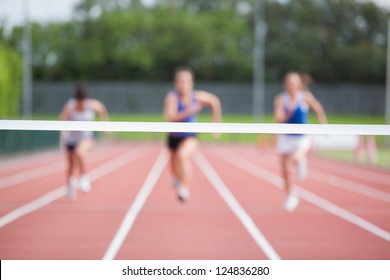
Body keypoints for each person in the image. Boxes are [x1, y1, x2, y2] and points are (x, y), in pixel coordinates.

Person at [164, 66, 222, 202]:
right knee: (173, 167)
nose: (183, 84)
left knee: (183, 156)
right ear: (176, 83)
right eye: (180, 81)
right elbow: (170, 116)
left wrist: (216, 124)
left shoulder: (197, 96)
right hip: (173, 136)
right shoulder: (172, 97)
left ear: (192, 83)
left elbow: (214, 102)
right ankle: (178, 178)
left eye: (186, 81)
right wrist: (190, 111)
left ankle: (185, 188)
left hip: (190, 136)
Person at [274, 72, 327, 211]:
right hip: (286, 137)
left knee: (293, 159)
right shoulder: (281, 99)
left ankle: (301, 160)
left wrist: (324, 125)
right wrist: (286, 114)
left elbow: (318, 109)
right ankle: (291, 195)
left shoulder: (305, 97)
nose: (291, 86)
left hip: (301, 137)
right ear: (285, 85)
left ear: (299, 85)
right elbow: (277, 119)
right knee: (285, 170)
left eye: (294, 83)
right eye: (289, 83)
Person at [59, 84, 109, 200]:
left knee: (80, 152)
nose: (80, 103)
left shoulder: (92, 105)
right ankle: (70, 187)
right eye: (78, 101)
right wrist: (63, 135)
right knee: (71, 166)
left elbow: (102, 110)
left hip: (87, 138)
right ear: (75, 99)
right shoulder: (70, 107)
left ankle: (84, 177)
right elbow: (62, 120)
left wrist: (105, 126)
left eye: (82, 100)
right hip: (71, 139)